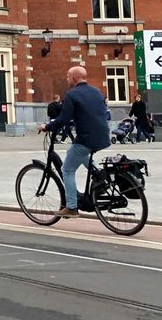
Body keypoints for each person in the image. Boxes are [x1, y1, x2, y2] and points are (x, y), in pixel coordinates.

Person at [39, 65, 110, 218]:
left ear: (74, 78)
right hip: (103, 136)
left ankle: (71, 207)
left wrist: (48, 126)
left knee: (67, 170)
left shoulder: (72, 94)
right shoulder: (96, 91)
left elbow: (63, 119)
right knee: (80, 152)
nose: (66, 79)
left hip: (86, 138)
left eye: (67, 76)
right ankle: (100, 178)